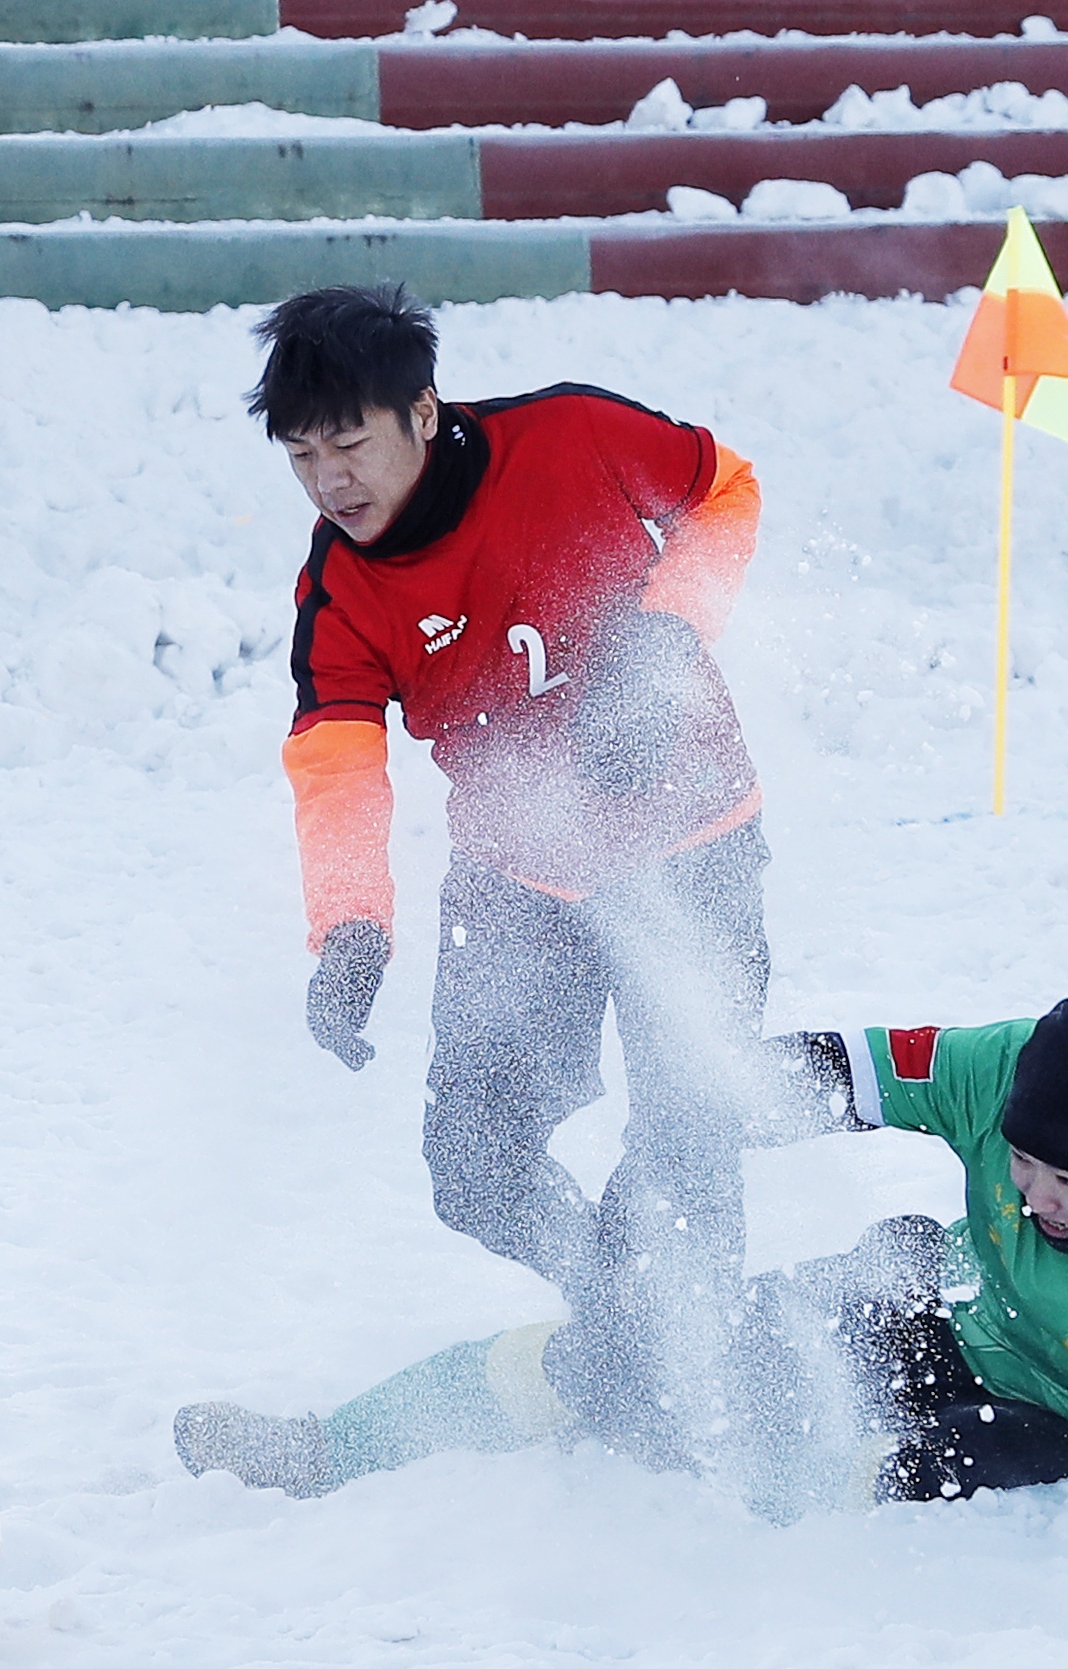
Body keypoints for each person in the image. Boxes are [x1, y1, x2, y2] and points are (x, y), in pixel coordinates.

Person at [177, 993, 1068, 1552]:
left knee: (849, 1464)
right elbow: (831, 1069)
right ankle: (325, 1449)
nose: (1036, 1195)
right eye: (1019, 1165)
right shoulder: (996, 1065)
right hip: (968, 1320)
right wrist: (693, 1120)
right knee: (628, 1358)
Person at [249, 283, 772, 1458]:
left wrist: (668, 638)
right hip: (515, 881)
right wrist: (349, 926)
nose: (329, 479)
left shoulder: (572, 434)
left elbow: (723, 491)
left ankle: (702, 1386)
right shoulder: (337, 588)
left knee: (689, 1146)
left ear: (422, 414)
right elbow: (335, 761)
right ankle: (637, 1328)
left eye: (349, 441)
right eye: (299, 453)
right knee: (473, 1166)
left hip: (691, 853)